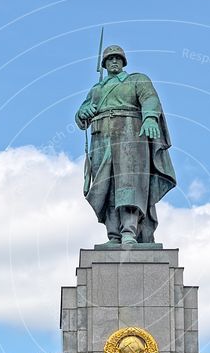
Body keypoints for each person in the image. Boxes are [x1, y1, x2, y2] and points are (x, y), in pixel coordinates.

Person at [75, 44, 176, 246]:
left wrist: (149, 118)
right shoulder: (97, 89)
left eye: (117, 59)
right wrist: (82, 113)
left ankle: (129, 231)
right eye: (110, 59)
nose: (114, 62)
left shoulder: (137, 79)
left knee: (128, 184)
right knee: (107, 185)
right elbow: (81, 115)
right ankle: (113, 235)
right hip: (101, 136)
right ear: (104, 64)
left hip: (130, 133)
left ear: (123, 62)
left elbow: (150, 99)